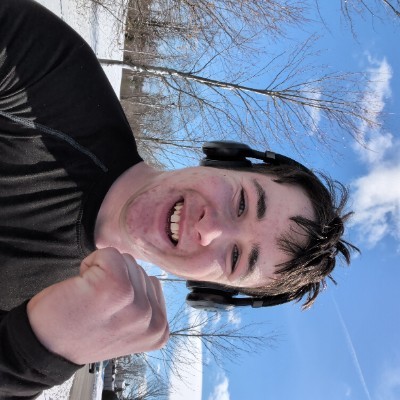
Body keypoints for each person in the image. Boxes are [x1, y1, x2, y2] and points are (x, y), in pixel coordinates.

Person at [0, 0, 357, 398]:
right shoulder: (56, 80)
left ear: (209, 286)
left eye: (234, 257)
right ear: (226, 159)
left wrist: (34, 354)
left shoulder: (66, 318)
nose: (210, 228)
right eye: (242, 203)